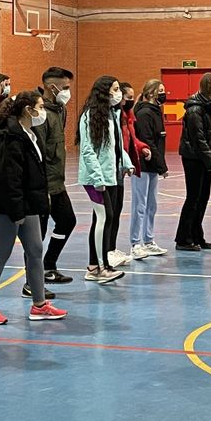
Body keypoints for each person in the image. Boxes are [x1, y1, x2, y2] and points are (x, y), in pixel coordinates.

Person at [0, 89, 67, 323]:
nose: (42, 112)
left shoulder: (30, 134)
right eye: (39, 106)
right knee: (1, 254)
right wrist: (16, 212)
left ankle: (39, 305)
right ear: (28, 110)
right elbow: (8, 178)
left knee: (35, 249)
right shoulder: (7, 138)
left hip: (28, 204)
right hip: (7, 206)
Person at [78, 75, 130, 284]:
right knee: (104, 217)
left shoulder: (111, 114)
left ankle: (96, 265)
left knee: (107, 217)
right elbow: (88, 149)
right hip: (95, 178)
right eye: (115, 89)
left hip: (111, 176)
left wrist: (126, 162)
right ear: (104, 91)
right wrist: (97, 177)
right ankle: (100, 267)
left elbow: (116, 146)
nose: (119, 93)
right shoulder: (89, 116)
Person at [38, 67, 77, 286]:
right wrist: (41, 188)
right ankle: (32, 282)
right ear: (50, 86)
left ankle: (49, 265)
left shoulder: (60, 110)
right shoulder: (40, 114)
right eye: (65, 88)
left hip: (57, 182)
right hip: (43, 185)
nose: (67, 92)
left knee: (67, 221)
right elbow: (39, 153)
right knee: (38, 235)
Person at [176, 72, 211, 251]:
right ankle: (183, 238)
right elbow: (199, 138)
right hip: (193, 158)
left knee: (203, 197)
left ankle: (197, 235)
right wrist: (210, 160)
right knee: (193, 198)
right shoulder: (195, 109)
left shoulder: (208, 107)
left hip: (202, 158)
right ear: (207, 87)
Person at [129, 79, 169, 258]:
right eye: (160, 90)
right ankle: (135, 243)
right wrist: (162, 166)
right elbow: (148, 141)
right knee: (140, 204)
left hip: (152, 166)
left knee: (151, 205)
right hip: (142, 165)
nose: (163, 94)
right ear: (151, 93)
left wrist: (159, 165)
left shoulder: (156, 112)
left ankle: (149, 240)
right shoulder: (145, 113)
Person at [115, 80, 147, 264]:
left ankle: (111, 250)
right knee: (107, 214)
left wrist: (142, 148)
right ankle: (105, 254)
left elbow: (132, 140)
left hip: (122, 168)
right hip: (113, 169)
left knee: (116, 210)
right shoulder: (114, 117)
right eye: (128, 97)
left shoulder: (129, 116)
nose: (130, 100)